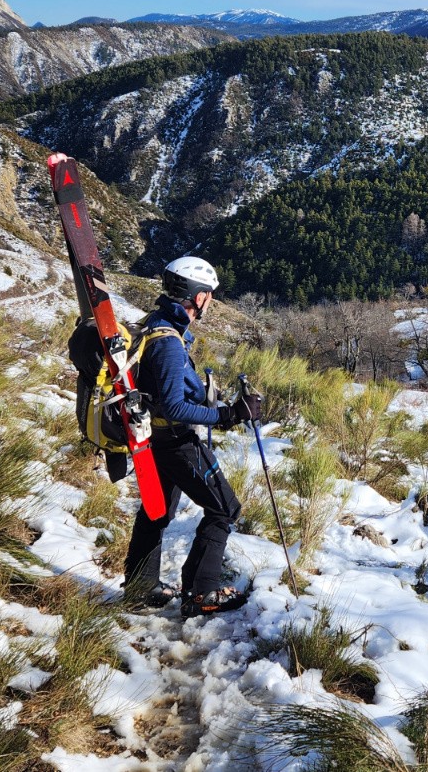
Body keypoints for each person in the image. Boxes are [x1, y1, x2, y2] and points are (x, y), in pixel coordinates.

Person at [122, 256, 262, 618]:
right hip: (175, 441)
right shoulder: (169, 342)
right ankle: (202, 593)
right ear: (198, 296)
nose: (211, 301)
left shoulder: (157, 323)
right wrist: (229, 415)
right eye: (209, 294)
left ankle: (140, 588)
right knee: (224, 508)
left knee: (157, 510)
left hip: (153, 439)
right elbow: (174, 407)